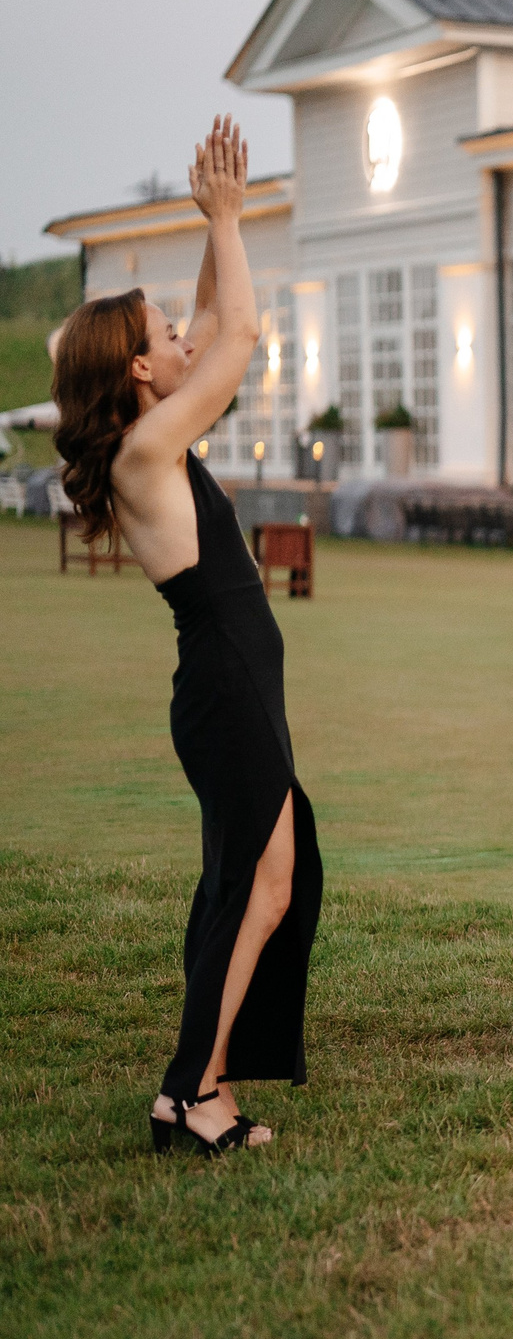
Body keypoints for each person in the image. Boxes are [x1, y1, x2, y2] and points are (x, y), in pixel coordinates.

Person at [51, 118, 324, 1155]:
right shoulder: (146, 448)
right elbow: (244, 338)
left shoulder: (152, 431)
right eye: (164, 335)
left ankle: (192, 1087)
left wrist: (219, 222)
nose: (183, 337)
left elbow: (217, 317)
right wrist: (227, 218)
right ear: (136, 372)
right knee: (258, 883)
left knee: (260, 883)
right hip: (223, 682)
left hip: (233, 679)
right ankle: (193, 1094)